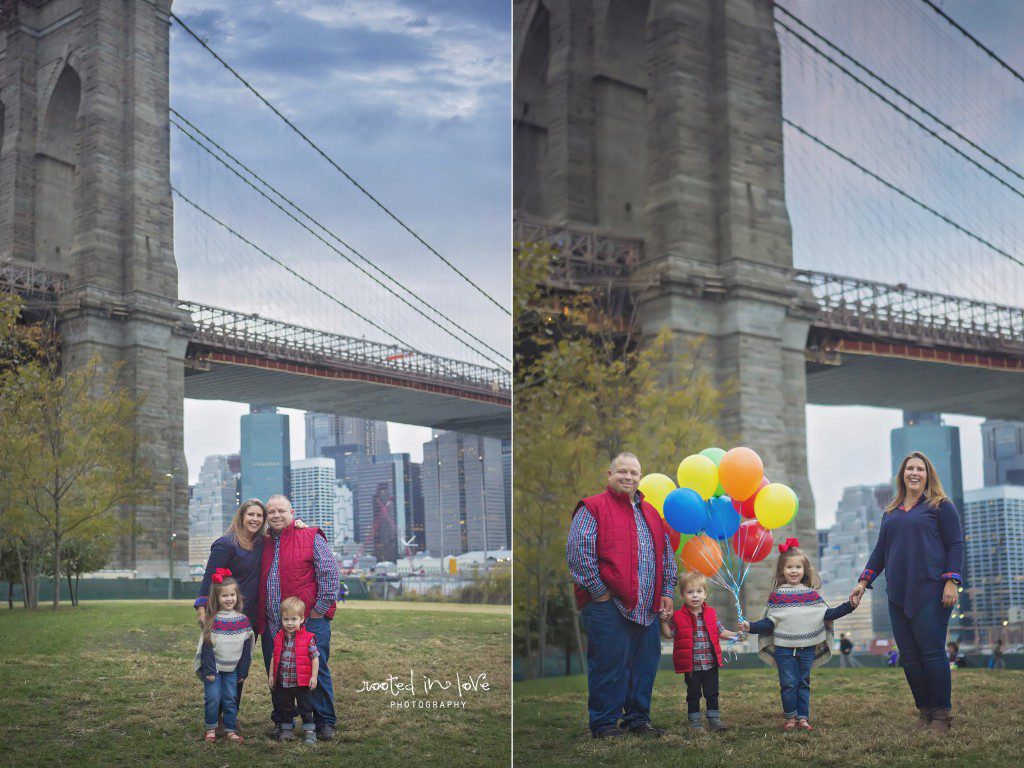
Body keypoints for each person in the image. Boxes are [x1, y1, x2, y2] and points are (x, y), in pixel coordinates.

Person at [849, 451, 963, 734]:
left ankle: (941, 715)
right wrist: (863, 582)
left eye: (920, 469)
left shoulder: (941, 505)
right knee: (909, 657)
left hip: (931, 591)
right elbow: (880, 552)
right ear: (902, 474)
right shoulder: (891, 512)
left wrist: (952, 581)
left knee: (933, 653)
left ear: (928, 474)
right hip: (897, 593)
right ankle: (924, 713)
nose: (914, 473)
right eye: (909, 468)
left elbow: (956, 544)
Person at [566, 452, 678, 739]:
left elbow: (665, 557)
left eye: (634, 473)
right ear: (609, 474)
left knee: (644, 667)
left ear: (640, 477)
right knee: (608, 666)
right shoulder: (592, 508)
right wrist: (599, 591)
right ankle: (604, 724)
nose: (628, 477)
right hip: (607, 605)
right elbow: (579, 553)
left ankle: (637, 720)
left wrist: (666, 591)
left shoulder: (651, 513)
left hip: (647, 607)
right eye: (622, 472)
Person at [740, 538, 857, 732]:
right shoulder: (777, 595)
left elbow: (826, 614)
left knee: (803, 682)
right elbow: (770, 622)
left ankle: (803, 718)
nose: (794, 571)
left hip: (807, 646)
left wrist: (849, 606)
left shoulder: (812, 595)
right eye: (789, 567)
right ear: (782, 571)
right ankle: (790, 717)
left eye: (798, 567)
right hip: (784, 648)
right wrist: (750, 626)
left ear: (804, 570)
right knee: (788, 683)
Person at [258, 494, 341, 742]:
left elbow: (329, 573)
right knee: (278, 673)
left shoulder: (310, 536)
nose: (275, 515)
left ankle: (324, 721)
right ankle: (283, 721)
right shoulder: (263, 542)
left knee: (316, 670)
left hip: (309, 621)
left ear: (292, 512)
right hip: (275, 623)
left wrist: (319, 608)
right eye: (270, 512)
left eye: (281, 511)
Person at [660, 571, 739, 732]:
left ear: (705, 594)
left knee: (712, 693)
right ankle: (695, 721)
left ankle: (714, 719)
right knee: (693, 694)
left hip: (710, 663)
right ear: (683, 595)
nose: (695, 596)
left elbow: (721, 631)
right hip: (692, 665)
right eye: (690, 592)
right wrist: (663, 622)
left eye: (698, 591)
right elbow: (669, 634)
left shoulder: (711, 614)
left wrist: (735, 635)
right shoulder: (678, 616)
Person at [194, 570, 254, 743]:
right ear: (216, 598)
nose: (229, 599)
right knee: (212, 699)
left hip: (232, 670)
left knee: (230, 699)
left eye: (232, 595)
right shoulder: (213, 620)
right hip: (214, 670)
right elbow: (206, 647)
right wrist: (210, 670)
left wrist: (243, 672)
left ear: (238, 596)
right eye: (224, 596)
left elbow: (245, 649)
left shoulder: (243, 621)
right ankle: (211, 728)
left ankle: (230, 729)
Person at [268, 596, 320, 745]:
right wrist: (271, 676)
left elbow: (315, 658)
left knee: (305, 707)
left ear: (302, 619)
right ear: (281, 620)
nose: (290, 623)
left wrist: (314, 677)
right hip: (284, 681)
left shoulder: (308, 638)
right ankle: (286, 730)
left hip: (302, 682)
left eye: (293, 619)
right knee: (286, 706)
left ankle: (310, 731)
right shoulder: (279, 637)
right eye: (286, 619)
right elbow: (274, 656)